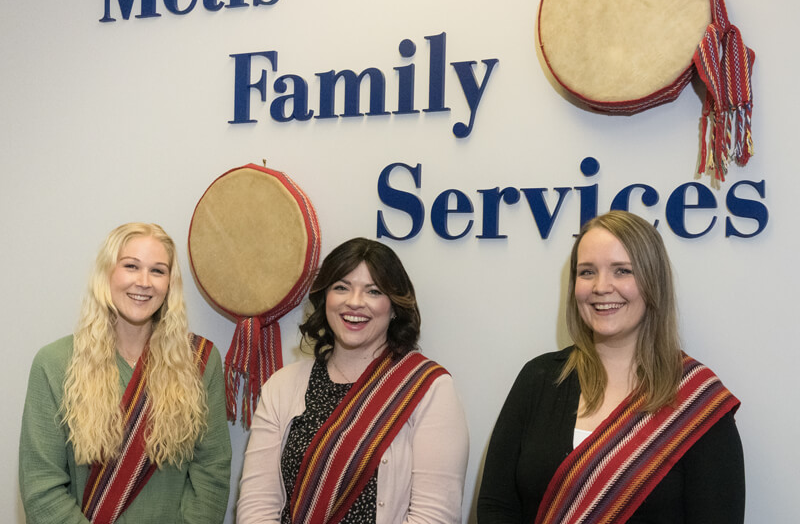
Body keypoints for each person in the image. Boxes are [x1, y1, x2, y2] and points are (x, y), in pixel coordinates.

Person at [478, 210, 745, 524]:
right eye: (587, 272)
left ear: (653, 282)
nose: (601, 287)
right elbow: (496, 506)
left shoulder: (698, 401)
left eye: (622, 271)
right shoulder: (538, 378)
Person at [237, 237, 469, 524]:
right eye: (341, 288)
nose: (355, 302)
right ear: (325, 300)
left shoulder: (429, 389)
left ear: (395, 306)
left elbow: (435, 516)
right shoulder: (282, 386)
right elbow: (257, 506)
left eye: (373, 291)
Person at [19, 223, 232, 524]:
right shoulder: (53, 364)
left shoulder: (200, 361)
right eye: (131, 266)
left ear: (170, 283)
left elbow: (212, 473)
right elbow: (42, 488)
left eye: (158, 271)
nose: (144, 282)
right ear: (107, 274)